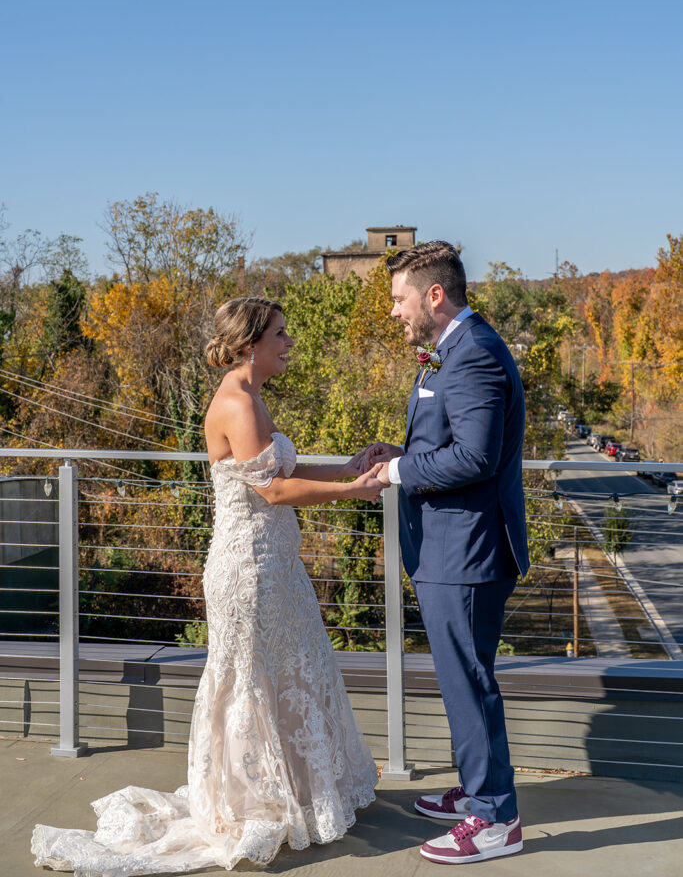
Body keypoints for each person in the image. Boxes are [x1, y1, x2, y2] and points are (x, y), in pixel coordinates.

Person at [32, 296, 382, 875]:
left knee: (288, 671)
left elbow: (283, 473)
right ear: (250, 343)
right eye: (281, 333)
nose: (289, 342)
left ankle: (290, 794)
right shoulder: (238, 403)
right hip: (247, 570)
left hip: (275, 568)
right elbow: (271, 493)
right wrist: (354, 494)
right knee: (251, 679)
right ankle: (250, 804)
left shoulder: (254, 396)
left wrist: (346, 468)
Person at [366, 241, 529, 865]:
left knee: (469, 683)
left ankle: (494, 820)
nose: (393, 312)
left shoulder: (474, 355)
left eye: (399, 299)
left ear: (435, 296)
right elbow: (447, 439)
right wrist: (398, 452)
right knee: (465, 679)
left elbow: (475, 457)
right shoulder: (453, 350)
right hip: (448, 547)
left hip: (465, 551)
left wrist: (399, 471)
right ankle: (476, 790)